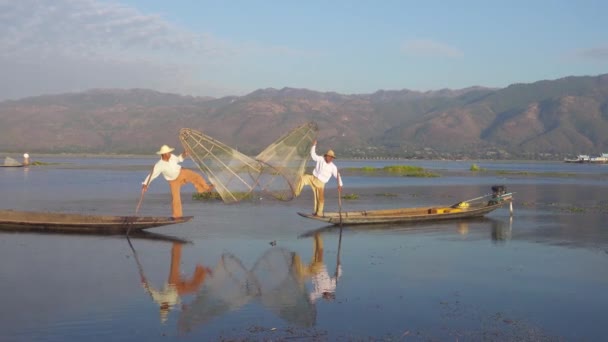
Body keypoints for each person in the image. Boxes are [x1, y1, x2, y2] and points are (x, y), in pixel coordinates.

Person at [141, 144, 213, 218]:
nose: (169, 154)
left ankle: (206, 188)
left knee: (197, 177)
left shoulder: (171, 157)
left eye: (169, 152)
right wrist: (145, 184)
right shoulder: (159, 165)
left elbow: (178, 159)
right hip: (173, 181)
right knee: (175, 198)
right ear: (163, 154)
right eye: (167, 153)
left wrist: (184, 154)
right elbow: (152, 175)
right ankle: (177, 216)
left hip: (181, 172)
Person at [295, 140, 343, 217]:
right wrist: (314, 145)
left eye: (332, 157)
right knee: (302, 178)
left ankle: (318, 212)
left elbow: (338, 176)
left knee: (319, 198)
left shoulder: (333, 167)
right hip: (313, 178)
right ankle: (295, 193)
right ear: (326, 156)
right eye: (329, 157)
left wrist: (340, 185)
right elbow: (313, 155)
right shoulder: (321, 159)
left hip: (321, 183)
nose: (330, 158)